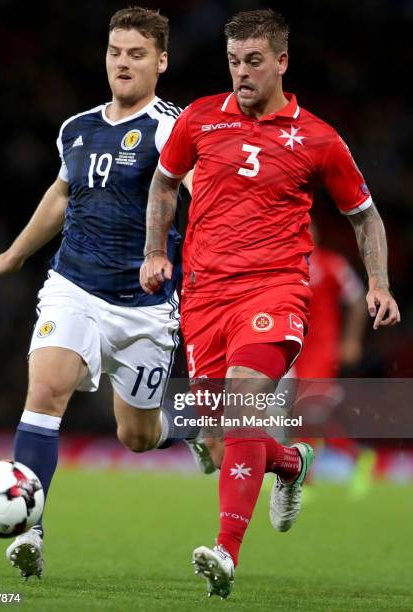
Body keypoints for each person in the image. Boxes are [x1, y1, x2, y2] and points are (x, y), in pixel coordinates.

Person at [140, 8, 400, 599]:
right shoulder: (200, 119)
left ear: (281, 61)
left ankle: (225, 554)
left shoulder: (318, 137)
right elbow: (162, 183)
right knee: (216, 432)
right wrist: (156, 250)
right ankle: (291, 463)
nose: (241, 74)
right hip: (203, 296)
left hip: (275, 289)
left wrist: (379, 283)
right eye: (233, 62)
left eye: (253, 62)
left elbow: (364, 216)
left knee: (240, 407)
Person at [0, 6, 209, 580]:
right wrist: (14, 255)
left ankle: (194, 430)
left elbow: (203, 196)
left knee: (136, 434)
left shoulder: (171, 127)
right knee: (46, 389)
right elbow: (60, 196)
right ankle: (32, 533)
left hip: (147, 306)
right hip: (73, 286)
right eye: (115, 51)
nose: (123, 63)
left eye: (137, 53)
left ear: (162, 61)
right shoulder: (75, 129)